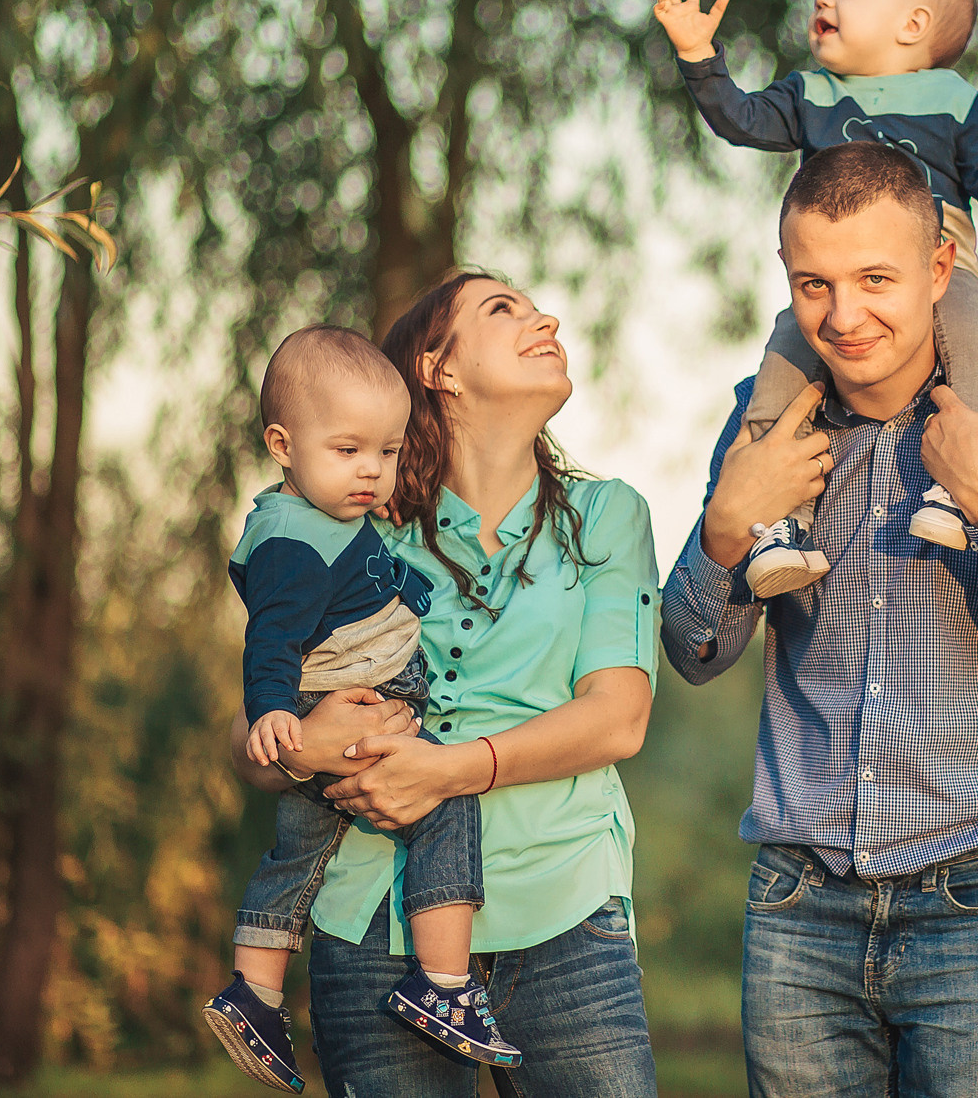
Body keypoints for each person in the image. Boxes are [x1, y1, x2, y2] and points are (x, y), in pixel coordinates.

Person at [660, 141, 978, 1098]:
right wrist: (722, 532)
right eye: (813, 284)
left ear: (938, 269)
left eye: (875, 278)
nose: (843, 317)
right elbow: (694, 648)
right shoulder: (764, 431)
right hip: (801, 903)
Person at [228, 273, 660, 1098]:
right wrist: (303, 744)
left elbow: (617, 719)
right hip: (370, 917)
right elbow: (260, 730)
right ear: (438, 368)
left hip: (564, 909)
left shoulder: (608, 515)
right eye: (505, 309)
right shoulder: (353, 526)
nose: (547, 317)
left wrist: (445, 770)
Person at [653, 0, 978, 599]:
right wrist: (700, 56)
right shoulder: (810, 93)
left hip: (938, 253)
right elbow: (743, 119)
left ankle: (961, 486)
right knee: (781, 372)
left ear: (913, 24)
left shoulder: (952, 100)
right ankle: (777, 527)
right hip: (838, 267)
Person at [205, 326, 517, 1092]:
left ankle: (255, 992)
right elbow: (272, 638)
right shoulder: (291, 542)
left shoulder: (327, 519)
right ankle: (442, 984)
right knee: (446, 804)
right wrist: (276, 716)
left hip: (340, 707)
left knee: (300, 853)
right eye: (347, 451)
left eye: (385, 450)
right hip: (336, 710)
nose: (370, 472)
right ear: (282, 443)